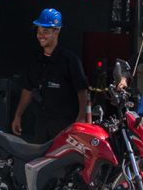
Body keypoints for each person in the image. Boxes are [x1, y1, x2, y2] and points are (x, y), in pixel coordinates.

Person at [10, 10, 90, 144]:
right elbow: (28, 89)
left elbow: (82, 90)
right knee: (40, 162)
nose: (40, 35)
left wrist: (81, 119)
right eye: (39, 31)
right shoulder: (36, 60)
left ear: (56, 31)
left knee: (62, 162)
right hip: (42, 124)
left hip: (65, 125)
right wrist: (18, 116)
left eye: (45, 31)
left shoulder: (70, 60)